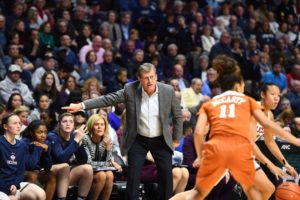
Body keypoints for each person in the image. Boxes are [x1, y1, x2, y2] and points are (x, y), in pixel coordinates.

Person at [170, 55, 300, 200]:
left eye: (278, 95)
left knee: (266, 189)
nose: (277, 98)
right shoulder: (250, 105)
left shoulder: (266, 114)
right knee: (198, 193)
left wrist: (285, 164)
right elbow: (250, 142)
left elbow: (269, 142)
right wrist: (272, 162)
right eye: (273, 94)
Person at [63, 63, 183, 200]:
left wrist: (176, 139)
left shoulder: (167, 90)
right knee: (133, 176)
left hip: (161, 138)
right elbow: (107, 99)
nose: (149, 81)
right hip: (138, 139)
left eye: (152, 77)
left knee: (166, 176)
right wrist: (81, 105)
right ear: (139, 78)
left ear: (156, 76)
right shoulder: (130, 89)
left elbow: (178, 115)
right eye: (145, 78)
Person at [47, 112, 93, 199]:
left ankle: (81, 198)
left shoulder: (73, 136)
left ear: (74, 125)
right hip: (50, 172)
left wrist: (79, 143)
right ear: (59, 124)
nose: (68, 124)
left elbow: (83, 161)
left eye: (71, 122)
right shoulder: (52, 136)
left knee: (88, 168)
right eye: (64, 121)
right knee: (65, 166)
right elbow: (60, 159)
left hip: (65, 172)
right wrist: (76, 141)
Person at [0, 114, 46, 200]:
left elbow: (21, 170)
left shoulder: (21, 145)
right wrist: (7, 189)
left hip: (14, 184)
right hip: (2, 186)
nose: (18, 126)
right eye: (15, 123)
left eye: (19, 123)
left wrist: (15, 184)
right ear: (5, 126)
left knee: (40, 194)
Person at [82, 114, 122, 200]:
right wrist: (109, 164)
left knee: (110, 174)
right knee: (101, 175)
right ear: (91, 126)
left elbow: (108, 162)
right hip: (84, 169)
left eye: (102, 124)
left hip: (99, 170)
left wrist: (108, 148)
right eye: (96, 124)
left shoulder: (106, 139)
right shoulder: (85, 138)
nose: (100, 127)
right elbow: (88, 163)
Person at [21, 120, 55, 200]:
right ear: (31, 133)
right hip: (23, 172)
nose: (43, 135)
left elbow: (47, 167)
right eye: (39, 132)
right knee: (32, 175)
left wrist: (46, 152)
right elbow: (30, 165)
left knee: (51, 175)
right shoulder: (23, 143)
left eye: (45, 132)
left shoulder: (46, 144)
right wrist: (37, 147)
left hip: (37, 171)